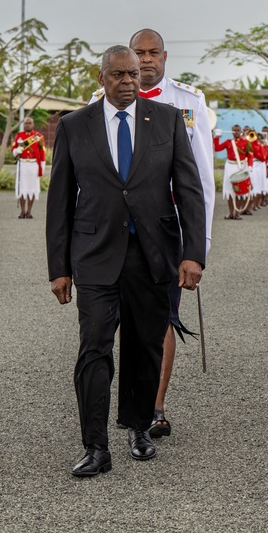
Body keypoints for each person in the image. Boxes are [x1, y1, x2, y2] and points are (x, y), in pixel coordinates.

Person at [46, 46, 205, 477]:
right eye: (118, 75)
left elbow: (190, 190)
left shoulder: (168, 121)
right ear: (102, 79)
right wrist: (58, 268)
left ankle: (138, 426)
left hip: (153, 256)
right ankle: (95, 446)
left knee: (144, 346)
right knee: (94, 349)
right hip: (95, 256)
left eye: (134, 74)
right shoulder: (75, 126)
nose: (129, 82)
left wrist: (194, 254)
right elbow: (59, 201)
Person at [213, 125, 252, 220]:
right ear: (232, 131)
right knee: (229, 191)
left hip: (240, 167)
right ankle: (230, 213)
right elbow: (217, 148)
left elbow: (250, 155)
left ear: (241, 131)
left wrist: (250, 166)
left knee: (239, 190)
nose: (236, 132)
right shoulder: (228, 142)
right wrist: (217, 137)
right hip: (229, 166)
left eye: (238, 130)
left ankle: (237, 213)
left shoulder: (246, 142)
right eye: (234, 130)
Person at [11, 117, 45, 219]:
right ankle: (22, 211)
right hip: (23, 164)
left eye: (29, 123)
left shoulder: (38, 137)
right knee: (22, 187)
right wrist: (17, 150)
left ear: (33, 124)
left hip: (34, 164)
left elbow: (42, 152)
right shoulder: (19, 136)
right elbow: (13, 149)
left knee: (32, 187)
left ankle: (29, 211)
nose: (27, 125)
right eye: (26, 123)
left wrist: (41, 167)